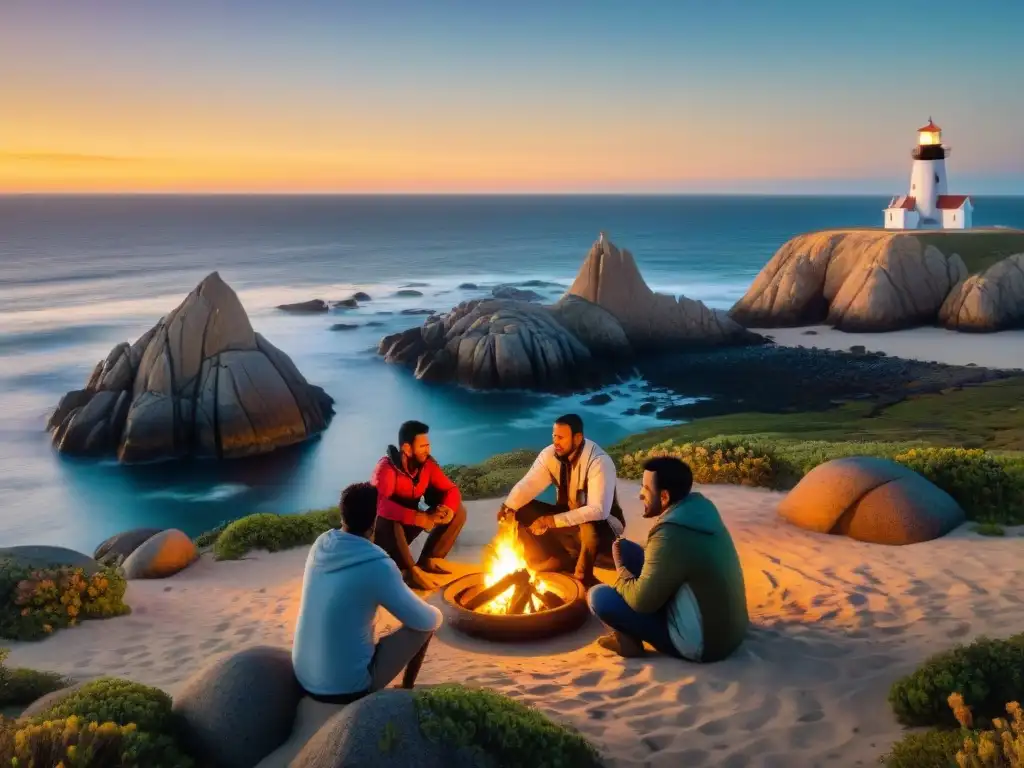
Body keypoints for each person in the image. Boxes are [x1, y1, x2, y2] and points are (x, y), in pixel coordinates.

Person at [291, 482, 443, 704]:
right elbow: (425, 620)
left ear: (343, 515)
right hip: (345, 689)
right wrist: (435, 611)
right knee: (427, 625)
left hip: (303, 675)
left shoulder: (321, 545)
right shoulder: (377, 564)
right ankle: (406, 688)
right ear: (375, 521)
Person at [587, 456, 749, 661]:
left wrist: (623, 579)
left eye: (645, 489)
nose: (640, 495)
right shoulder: (699, 510)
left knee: (598, 596)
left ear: (663, 497)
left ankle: (627, 643)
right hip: (731, 631)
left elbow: (641, 602)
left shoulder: (670, 534)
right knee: (624, 548)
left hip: (703, 644)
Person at [498, 414, 625, 588]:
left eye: (561, 437)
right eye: (554, 436)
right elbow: (529, 484)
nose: (555, 442)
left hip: (605, 527)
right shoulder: (550, 455)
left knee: (589, 522)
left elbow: (598, 510)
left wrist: (551, 521)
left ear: (578, 438)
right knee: (520, 509)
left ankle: (583, 575)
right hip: (568, 519)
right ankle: (556, 560)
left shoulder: (599, 462)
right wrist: (508, 507)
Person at [371, 420, 467, 590]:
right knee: (389, 518)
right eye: (422, 446)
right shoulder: (386, 468)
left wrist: (448, 510)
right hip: (382, 536)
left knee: (459, 510)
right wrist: (418, 517)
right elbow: (379, 505)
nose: (428, 450)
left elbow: (451, 489)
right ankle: (409, 572)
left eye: (428, 445)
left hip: (410, 525)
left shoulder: (427, 465)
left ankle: (429, 560)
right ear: (407, 449)